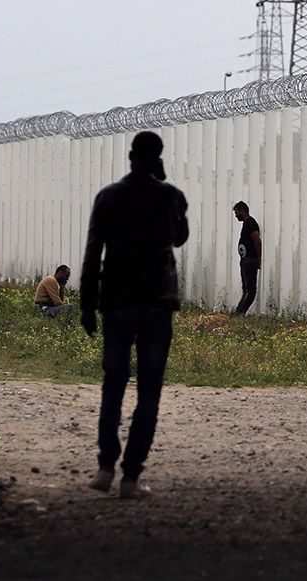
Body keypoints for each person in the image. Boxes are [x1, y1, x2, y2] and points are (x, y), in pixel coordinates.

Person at [79, 131, 189, 499]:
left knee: (113, 383)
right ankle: (131, 476)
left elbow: (94, 251)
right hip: (157, 302)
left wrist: (86, 304)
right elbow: (180, 238)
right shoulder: (170, 196)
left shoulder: (109, 197)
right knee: (149, 390)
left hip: (117, 301)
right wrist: (162, 179)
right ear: (157, 158)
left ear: (130, 156)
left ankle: (105, 466)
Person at [232, 200, 261, 315]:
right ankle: (239, 313)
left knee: (250, 291)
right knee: (247, 290)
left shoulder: (250, 223)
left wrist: (258, 260)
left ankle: (240, 313)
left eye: (237, 212)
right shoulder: (246, 223)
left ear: (242, 211)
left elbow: (257, 241)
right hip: (246, 260)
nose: (236, 216)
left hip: (250, 260)